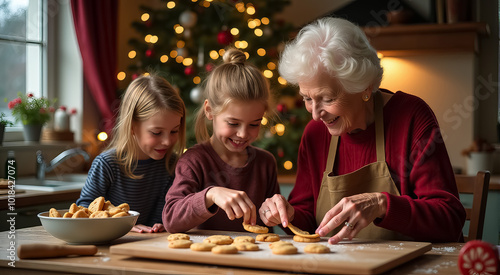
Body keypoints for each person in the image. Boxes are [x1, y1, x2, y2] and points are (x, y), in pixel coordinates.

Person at [260, 17, 466, 244]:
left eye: (327, 98)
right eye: (307, 98)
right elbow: (310, 225)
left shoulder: (411, 117)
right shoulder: (315, 134)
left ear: (364, 87)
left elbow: (450, 220)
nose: (315, 114)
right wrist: (288, 215)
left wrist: (382, 205)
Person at [163, 48, 280, 233]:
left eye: (254, 124)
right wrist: (211, 194)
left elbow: (274, 220)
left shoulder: (265, 163)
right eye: (233, 123)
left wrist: (278, 212)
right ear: (209, 110)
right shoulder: (193, 161)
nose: (243, 134)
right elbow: (171, 219)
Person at [77, 74, 186, 233]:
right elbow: (84, 210)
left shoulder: (171, 164)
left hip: (149, 245)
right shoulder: (107, 164)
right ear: (132, 126)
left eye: (174, 131)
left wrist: (160, 224)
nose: (167, 141)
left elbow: (162, 214)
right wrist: (122, 225)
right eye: (156, 133)